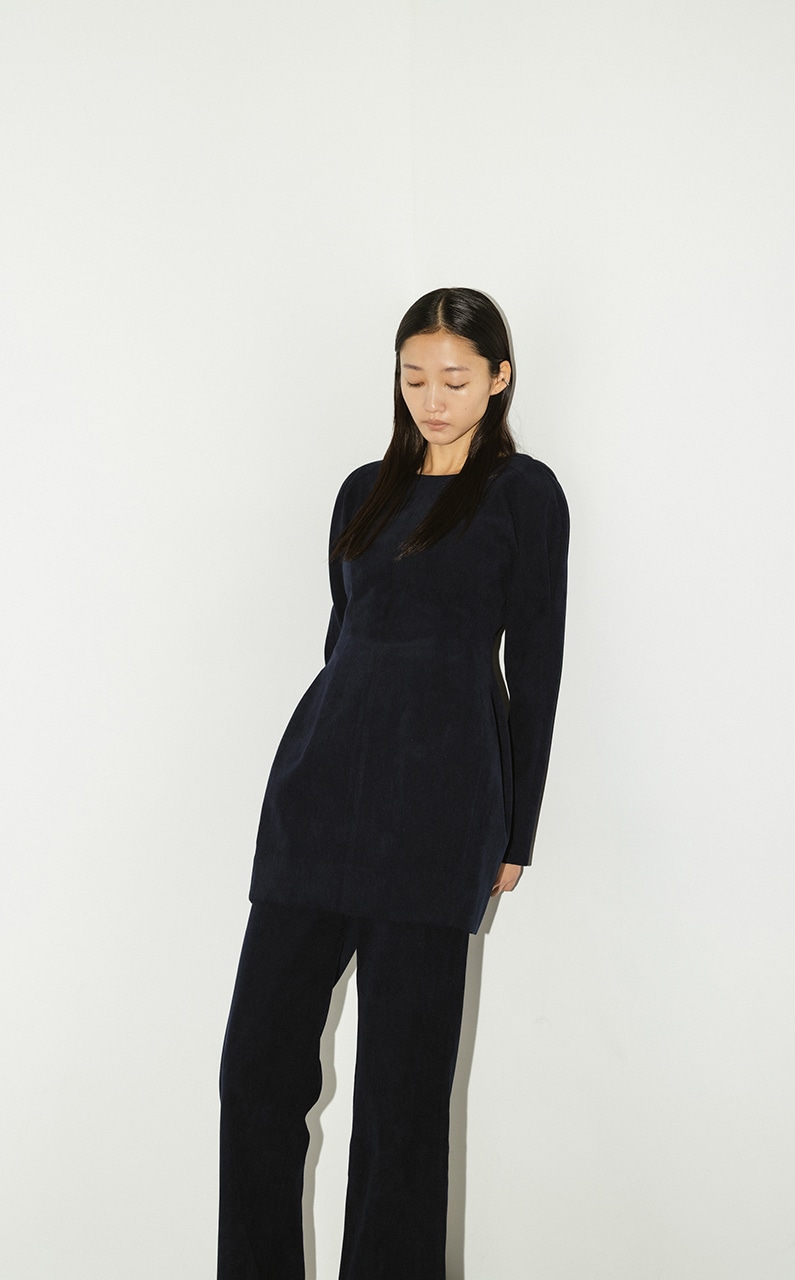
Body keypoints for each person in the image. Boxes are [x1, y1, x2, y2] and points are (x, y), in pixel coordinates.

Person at [217, 287, 570, 1280]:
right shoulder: (361, 490)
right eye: (414, 378)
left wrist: (515, 833)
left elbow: (534, 669)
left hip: (439, 814)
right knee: (254, 1072)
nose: (432, 398)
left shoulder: (523, 493)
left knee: (401, 1103)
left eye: (454, 378)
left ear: (498, 378)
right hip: (318, 799)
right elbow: (344, 642)